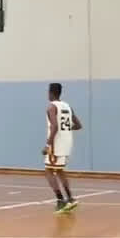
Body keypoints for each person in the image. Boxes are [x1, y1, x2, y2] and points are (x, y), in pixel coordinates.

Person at [44, 82, 83, 213]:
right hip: (67, 143)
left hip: (56, 144)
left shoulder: (51, 107)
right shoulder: (67, 106)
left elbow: (54, 126)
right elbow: (78, 125)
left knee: (49, 171)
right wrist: (65, 129)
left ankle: (60, 200)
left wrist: (48, 144)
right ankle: (70, 199)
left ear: (50, 93)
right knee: (60, 171)